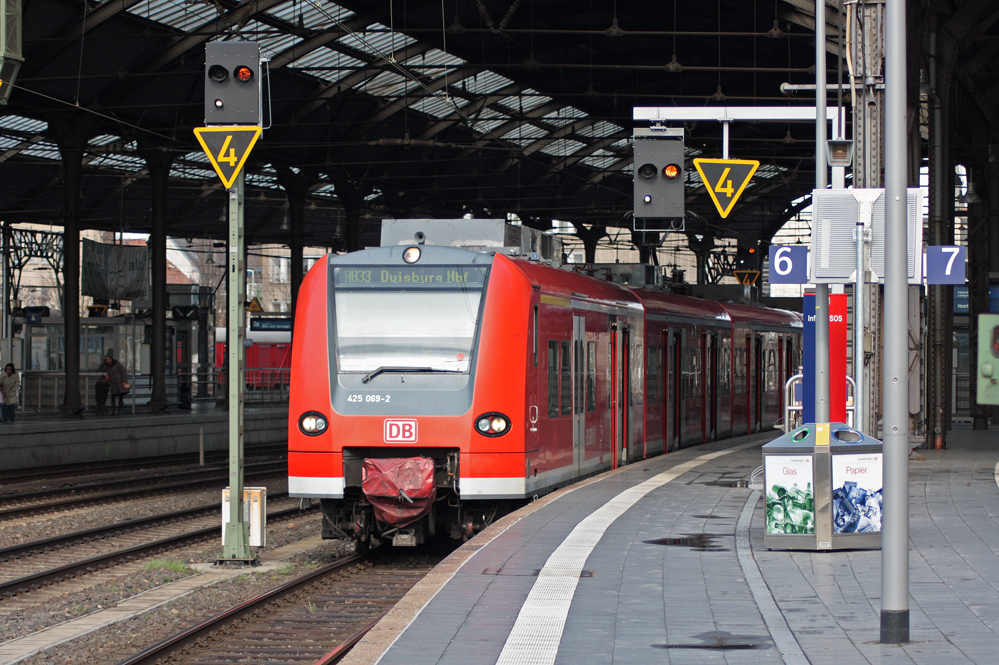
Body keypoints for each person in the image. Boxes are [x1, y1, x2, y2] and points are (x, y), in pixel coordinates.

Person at [103, 351, 129, 416]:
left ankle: (118, 411)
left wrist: (124, 381)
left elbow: (123, 372)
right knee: (113, 397)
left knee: (120, 397)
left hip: (120, 384)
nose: (107, 360)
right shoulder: (107, 367)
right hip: (113, 384)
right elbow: (101, 369)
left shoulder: (117, 364)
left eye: (108, 359)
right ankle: (113, 410)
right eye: (106, 359)